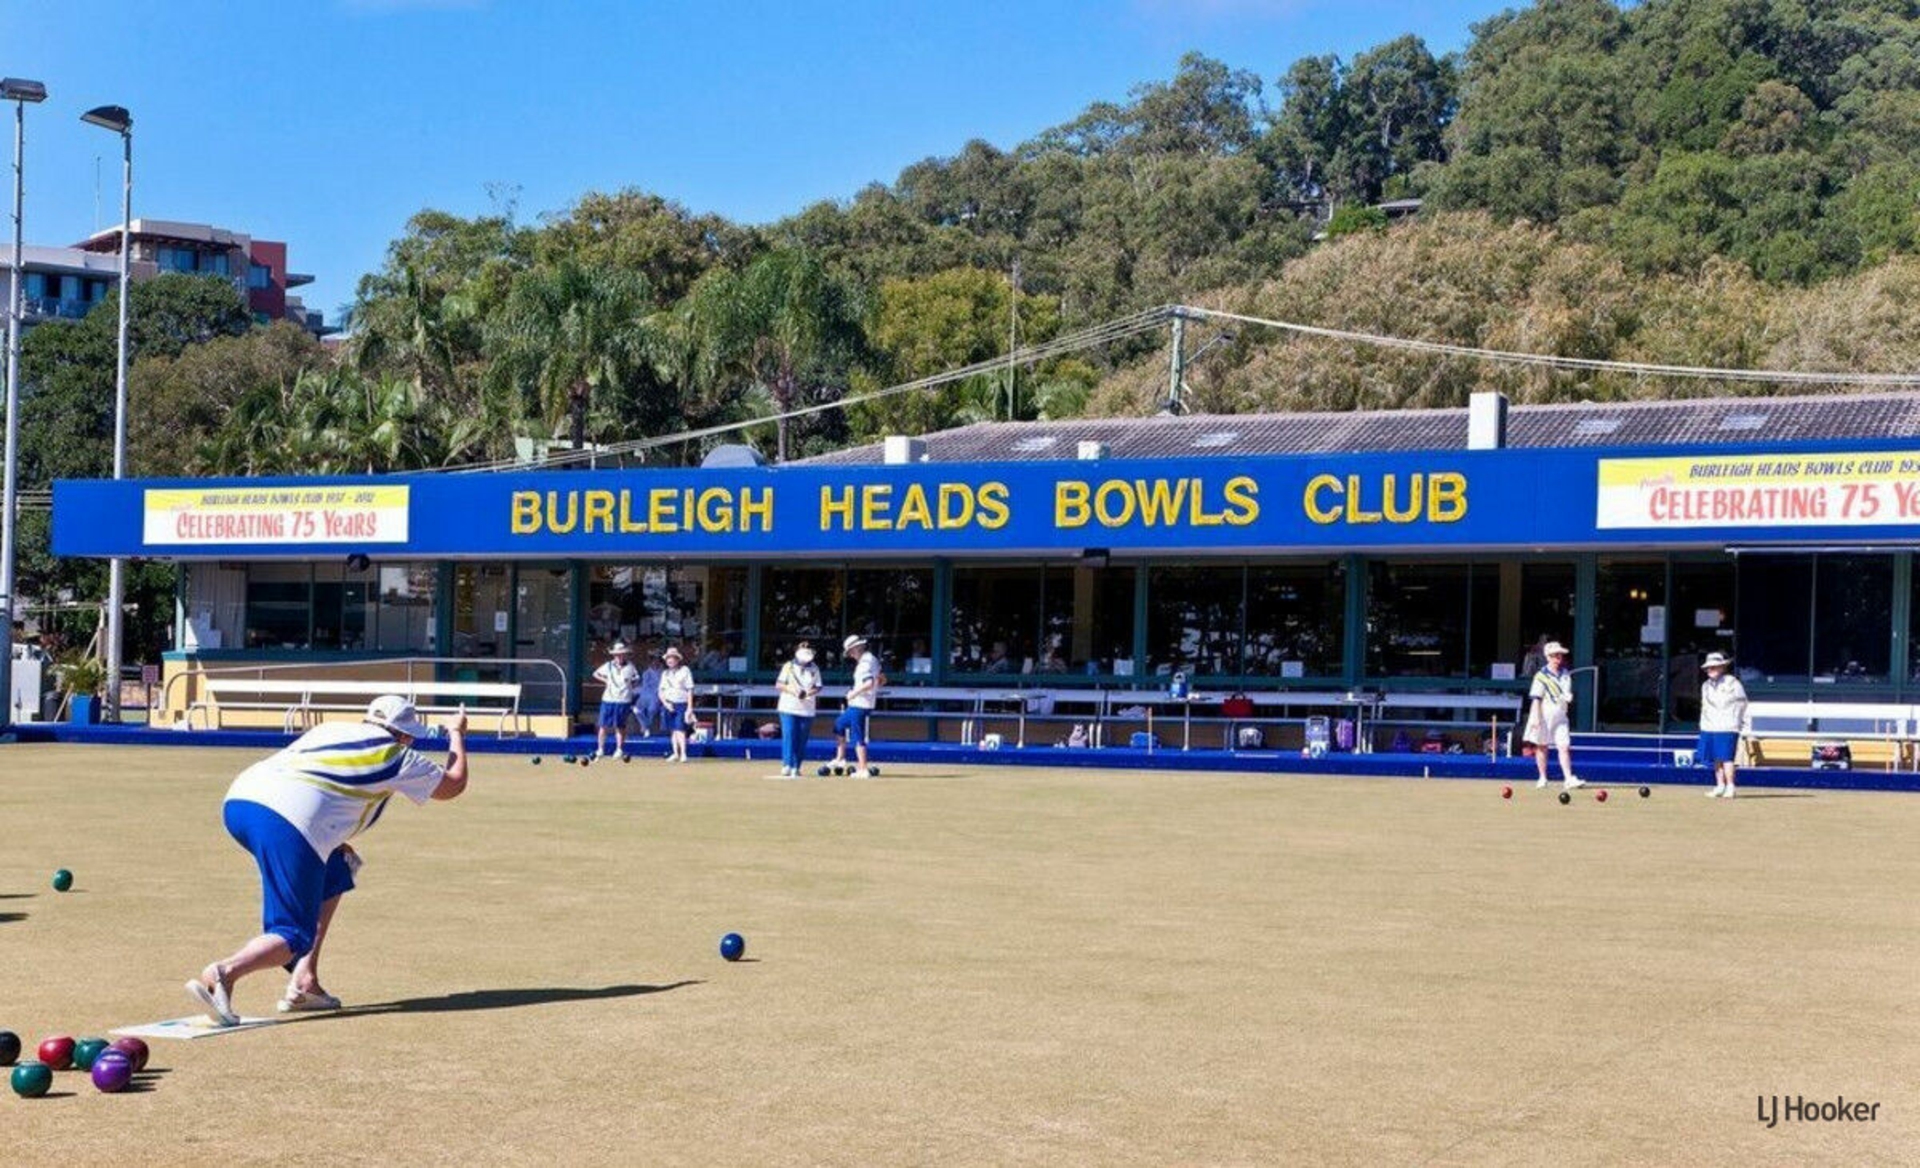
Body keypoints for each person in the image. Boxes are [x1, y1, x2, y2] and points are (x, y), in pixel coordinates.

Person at [186, 696, 469, 1025]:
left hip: (239, 803)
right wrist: (456, 733)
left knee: (338, 867)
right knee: (293, 935)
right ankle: (224, 973)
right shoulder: (395, 754)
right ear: (405, 735)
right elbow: (453, 784)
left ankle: (305, 982)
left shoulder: (331, 729)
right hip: (286, 821)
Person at [1525, 640, 1583, 791]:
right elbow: (1536, 698)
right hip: (1544, 715)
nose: (1558, 658)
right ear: (1548, 657)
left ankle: (1568, 778)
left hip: (1560, 716)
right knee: (1542, 746)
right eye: (1555, 655)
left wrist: (1567, 697)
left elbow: (1565, 692)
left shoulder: (1565, 674)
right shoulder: (1541, 676)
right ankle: (1542, 777)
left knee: (1564, 746)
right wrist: (1536, 717)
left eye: (1559, 655)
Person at [827, 634, 885, 777]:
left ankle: (863, 768)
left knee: (857, 735)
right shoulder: (872, 660)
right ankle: (840, 759)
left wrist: (853, 693)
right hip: (863, 703)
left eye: (850, 652)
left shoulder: (865, 664)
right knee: (839, 724)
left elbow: (869, 683)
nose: (850, 655)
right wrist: (874, 689)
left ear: (856, 649)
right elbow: (882, 679)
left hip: (860, 703)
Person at [1698, 651, 1750, 798]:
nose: (1710, 670)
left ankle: (1730, 786)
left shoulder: (1733, 683)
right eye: (1708, 667)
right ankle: (1720, 785)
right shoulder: (1705, 685)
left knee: (1727, 758)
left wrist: (1738, 722)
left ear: (1722, 667)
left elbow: (1742, 704)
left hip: (1728, 726)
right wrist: (1703, 724)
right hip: (1710, 726)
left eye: (1714, 667)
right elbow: (1705, 706)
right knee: (1716, 758)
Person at [774, 641, 823, 778]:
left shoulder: (815, 668)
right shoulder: (788, 666)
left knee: (802, 738)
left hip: (807, 708)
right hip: (788, 706)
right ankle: (787, 764)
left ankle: (796, 766)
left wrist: (807, 693)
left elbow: (818, 686)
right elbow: (779, 684)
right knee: (789, 734)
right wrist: (794, 691)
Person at [592, 641, 640, 760]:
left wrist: (629, 687)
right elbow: (595, 674)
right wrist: (606, 680)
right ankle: (600, 749)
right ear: (614, 655)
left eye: (622, 654)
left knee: (620, 726)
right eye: (617, 655)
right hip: (608, 699)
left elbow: (636, 679)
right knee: (603, 725)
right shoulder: (608, 665)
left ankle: (619, 749)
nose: (619, 657)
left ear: (625, 655)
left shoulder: (630, 667)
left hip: (623, 700)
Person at [657, 645, 696, 763]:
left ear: (677, 659)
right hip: (669, 705)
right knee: (673, 730)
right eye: (668, 658)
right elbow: (660, 691)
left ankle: (683, 754)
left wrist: (690, 708)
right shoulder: (665, 673)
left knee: (680, 729)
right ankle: (675, 753)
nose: (670, 660)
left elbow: (690, 689)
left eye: (672, 658)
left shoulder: (685, 670)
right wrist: (666, 703)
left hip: (681, 704)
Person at [634, 648, 665, 737]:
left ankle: (646, 726)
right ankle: (645, 725)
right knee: (636, 709)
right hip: (645, 695)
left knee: (652, 709)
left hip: (658, 695)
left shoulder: (664, 673)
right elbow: (644, 686)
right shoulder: (646, 673)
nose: (655, 662)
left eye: (657, 659)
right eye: (653, 659)